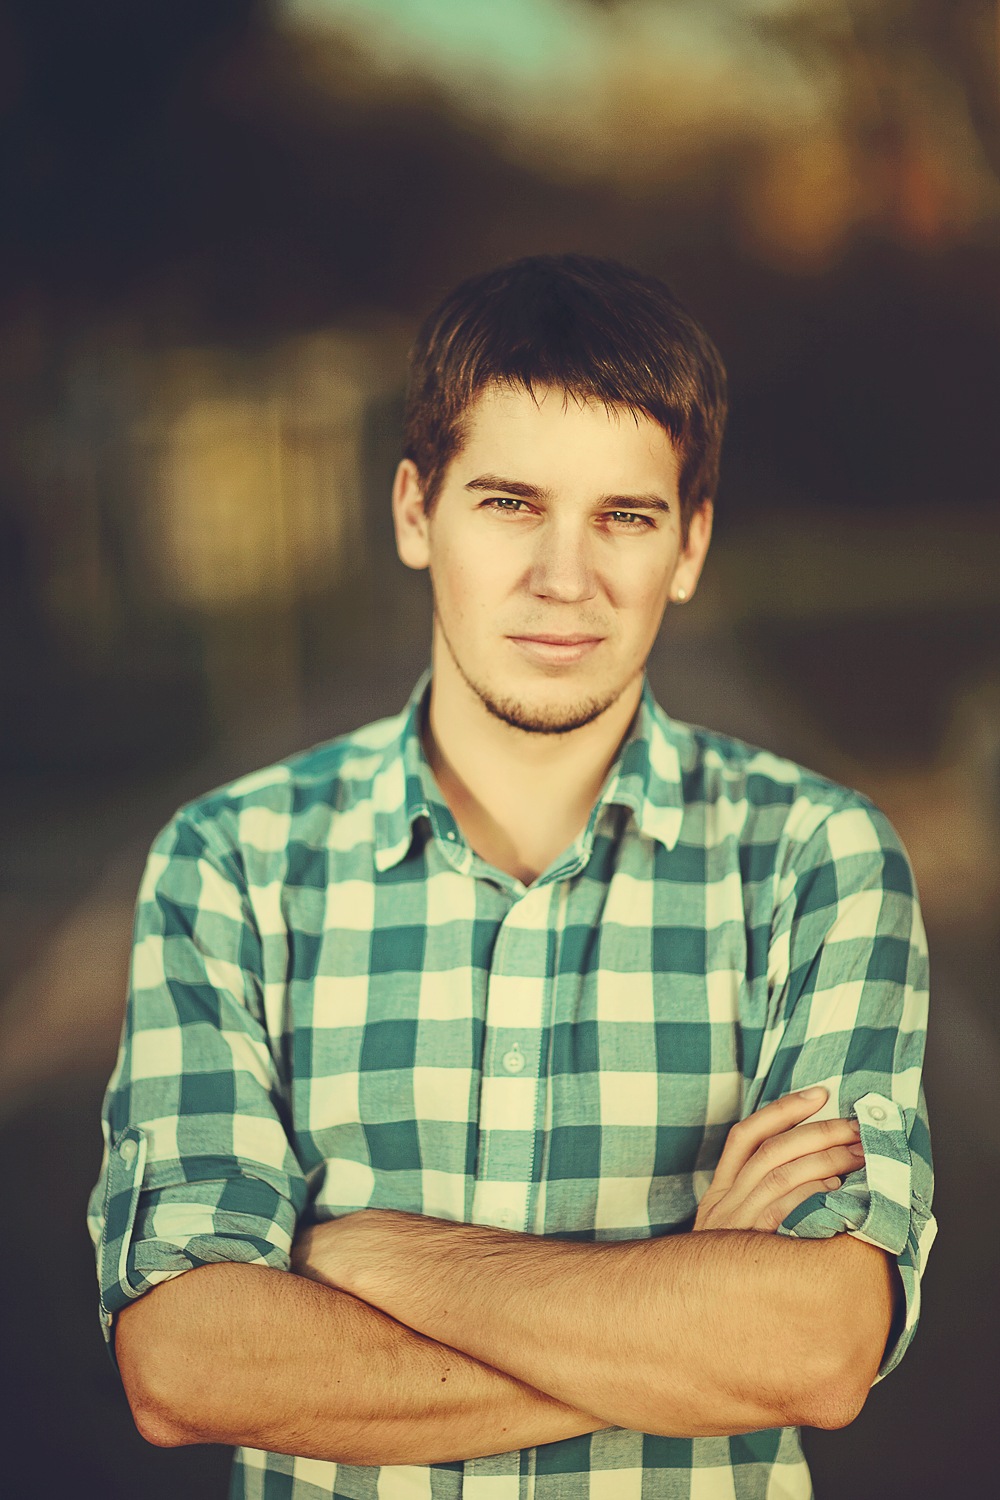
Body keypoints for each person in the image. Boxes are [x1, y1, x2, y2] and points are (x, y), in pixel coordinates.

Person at [89, 254, 935, 1500]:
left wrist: (366, 1257)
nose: (563, 578)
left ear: (690, 545)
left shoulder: (820, 862)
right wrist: (686, 1310)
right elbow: (184, 1364)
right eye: (509, 503)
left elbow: (815, 1348)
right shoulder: (232, 865)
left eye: (625, 517)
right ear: (413, 513)